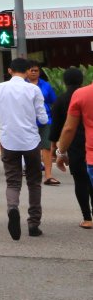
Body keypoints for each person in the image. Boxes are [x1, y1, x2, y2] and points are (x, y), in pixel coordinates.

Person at [0, 57, 49, 239]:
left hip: (8, 141)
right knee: (34, 182)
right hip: (30, 141)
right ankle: (33, 224)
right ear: (27, 71)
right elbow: (44, 118)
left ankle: (13, 208)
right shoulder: (33, 89)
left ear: (9, 70)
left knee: (13, 181)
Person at [51, 68, 91, 229]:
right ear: (81, 80)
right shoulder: (86, 94)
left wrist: (57, 149)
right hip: (88, 142)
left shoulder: (61, 100)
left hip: (74, 145)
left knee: (80, 181)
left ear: (65, 81)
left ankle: (87, 217)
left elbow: (61, 127)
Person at [27, 60, 60, 186]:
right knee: (31, 149)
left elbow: (54, 101)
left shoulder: (46, 85)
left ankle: (48, 175)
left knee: (47, 147)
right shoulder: (23, 86)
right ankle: (33, 173)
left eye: (36, 70)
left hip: (46, 120)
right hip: (28, 122)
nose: (34, 72)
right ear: (26, 72)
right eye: (31, 70)